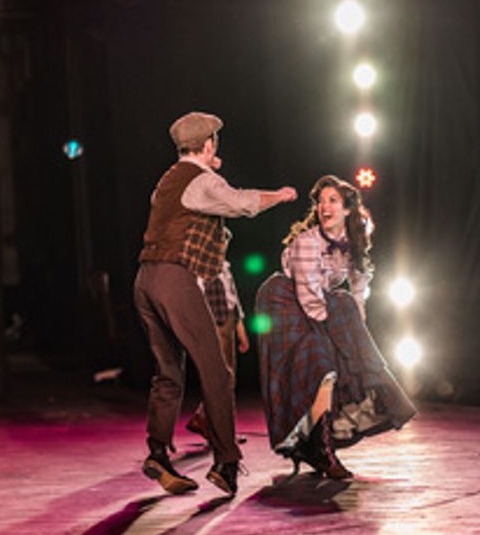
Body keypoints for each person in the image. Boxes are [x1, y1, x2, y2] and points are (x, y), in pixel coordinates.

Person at [135, 111, 297, 496]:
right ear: (208, 144)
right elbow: (241, 204)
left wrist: (206, 167)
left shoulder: (167, 181)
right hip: (175, 280)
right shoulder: (203, 180)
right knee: (216, 372)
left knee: (169, 371)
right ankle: (226, 462)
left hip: (144, 280)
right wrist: (280, 195)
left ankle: (157, 452)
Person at [255, 175, 417, 479]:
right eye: (320, 201)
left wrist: (357, 323)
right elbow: (310, 297)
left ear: (346, 210)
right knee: (322, 365)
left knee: (331, 358)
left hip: (319, 304)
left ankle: (319, 445)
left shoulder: (351, 243)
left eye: (332, 201)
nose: (324, 207)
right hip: (285, 305)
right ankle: (320, 448)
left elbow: (358, 284)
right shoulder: (307, 243)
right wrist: (335, 336)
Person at [185, 258, 250, 442]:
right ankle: (219, 429)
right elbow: (196, 299)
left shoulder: (225, 267)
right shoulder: (201, 268)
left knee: (227, 377)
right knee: (219, 377)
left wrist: (241, 330)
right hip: (214, 324)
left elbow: (233, 299)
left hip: (227, 321)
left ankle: (204, 419)